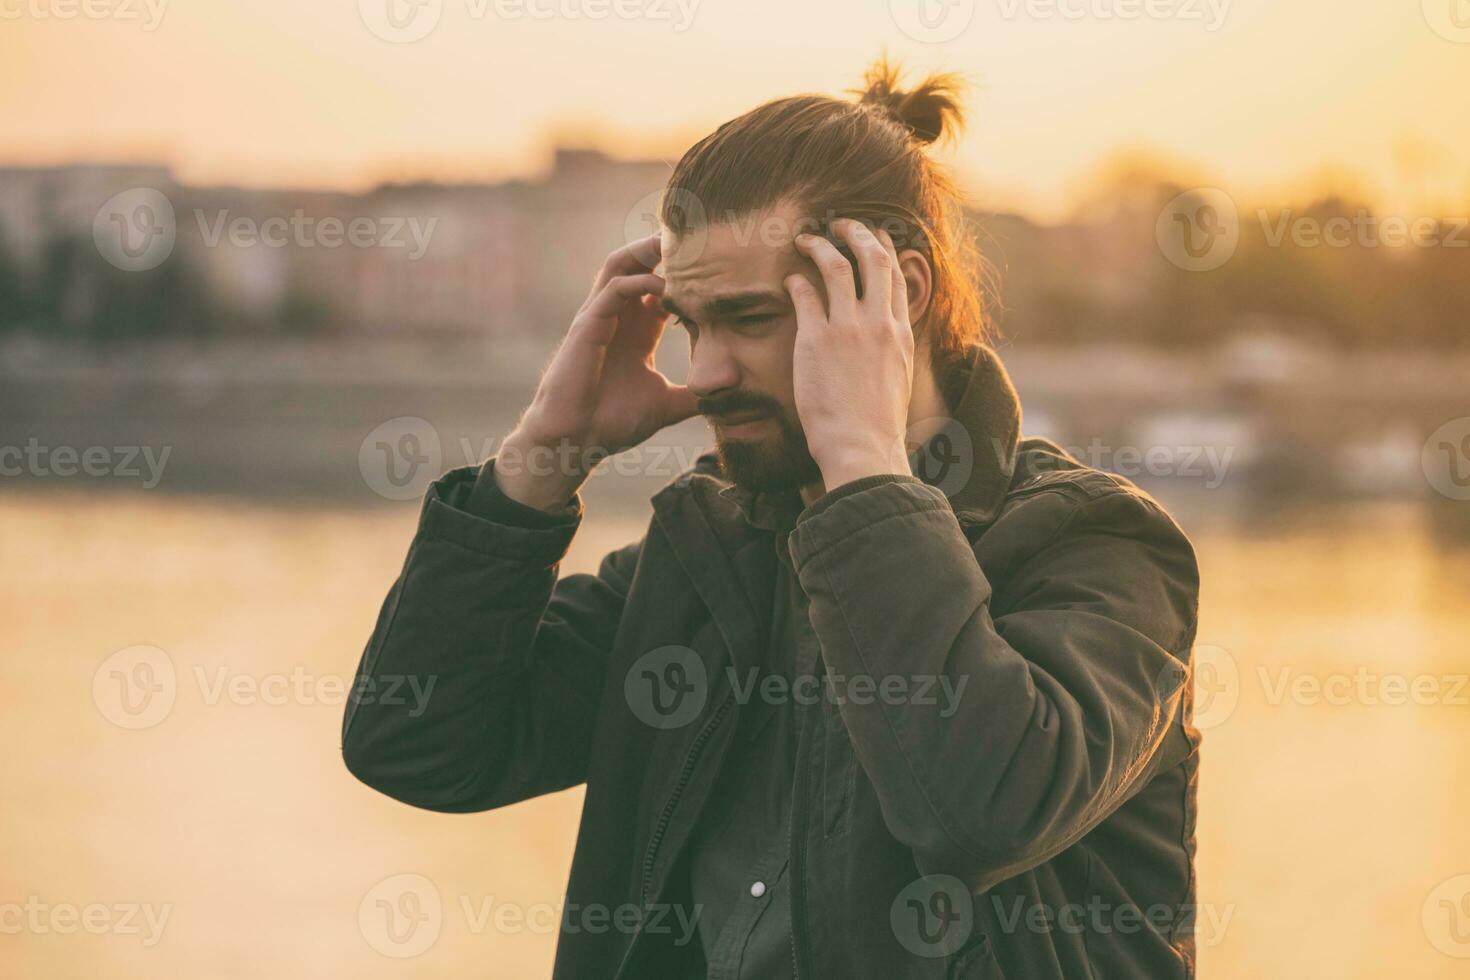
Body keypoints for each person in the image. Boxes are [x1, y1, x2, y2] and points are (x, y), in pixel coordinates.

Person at [343, 58, 1202, 979]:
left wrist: (864, 471)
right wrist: (542, 455)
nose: (705, 370)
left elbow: (979, 809)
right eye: (688, 323)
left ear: (898, 294)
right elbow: (420, 745)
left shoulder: (1100, 547)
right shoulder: (700, 562)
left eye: (748, 318)